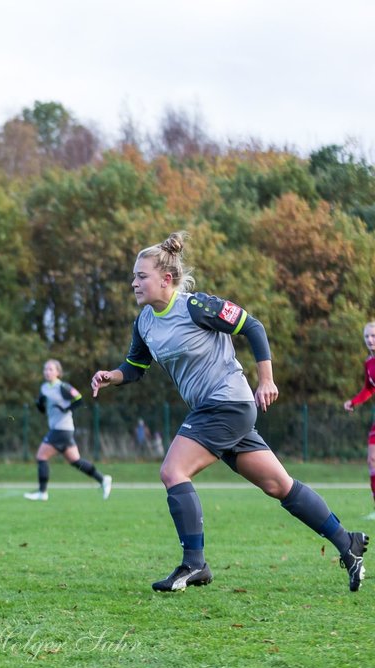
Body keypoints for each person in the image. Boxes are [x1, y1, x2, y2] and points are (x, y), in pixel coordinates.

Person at [91, 232, 366, 592]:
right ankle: (349, 543)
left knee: (173, 471)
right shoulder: (144, 323)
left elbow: (253, 326)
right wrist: (112, 376)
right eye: (134, 276)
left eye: (141, 276)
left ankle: (194, 563)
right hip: (219, 411)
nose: (134, 283)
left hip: (227, 404)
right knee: (279, 485)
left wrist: (265, 379)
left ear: (166, 279)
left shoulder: (196, 306)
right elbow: (135, 367)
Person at [23, 359, 112, 502]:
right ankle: (103, 479)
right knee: (75, 461)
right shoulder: (44, 388)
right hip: (60, 429)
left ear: (58, 372)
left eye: (51, 369)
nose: (47, 372)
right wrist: (39, 404)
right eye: (45, 369)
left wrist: (66, 409)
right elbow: (42, 409)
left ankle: (42, 492)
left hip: (61, 429)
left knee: (41, 456)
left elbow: (79, 399)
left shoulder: (62, 386)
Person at [343, 321, 375, 520]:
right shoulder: (369, 363)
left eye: (373, 336)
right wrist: (353, 402)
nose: (370, 340)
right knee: (372, 459)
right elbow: (369, 389)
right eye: (367, 337)